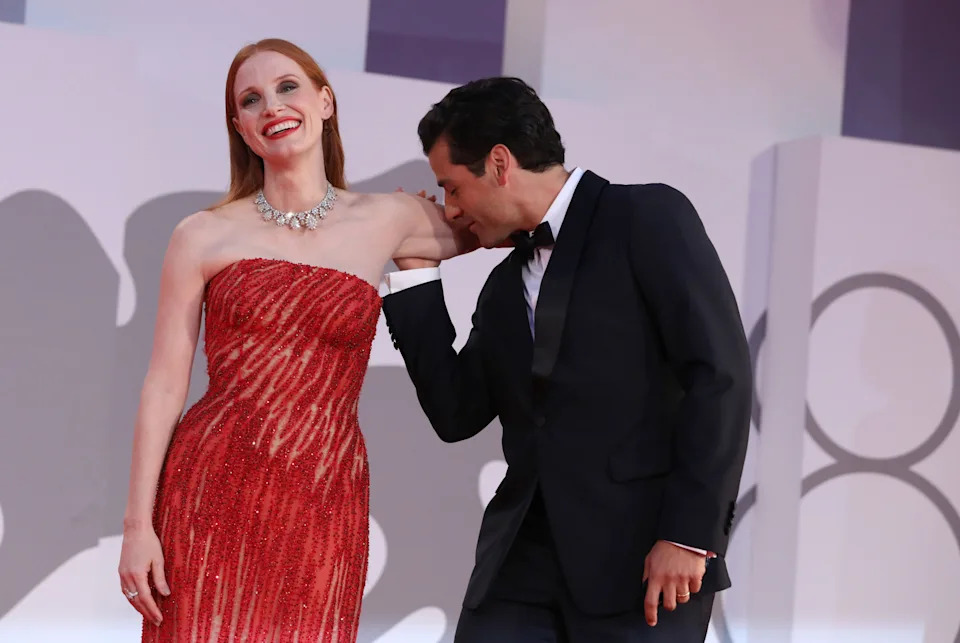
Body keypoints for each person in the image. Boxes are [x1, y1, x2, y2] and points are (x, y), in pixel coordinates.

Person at [116, 38, 472, 642]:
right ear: (241, 129)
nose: (271, 107)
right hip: (211, 490)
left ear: (325, 101)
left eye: (287, 88)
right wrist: (136, 527)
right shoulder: (201, 235)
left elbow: (502, 223)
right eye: (250, 100)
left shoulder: (390, 218)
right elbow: (164, 383)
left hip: (324, 494)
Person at [381, 77, 753, 642]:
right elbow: (455, 413)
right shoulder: (503, 287)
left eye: (453, 188)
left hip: (645, 563)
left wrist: (688, 535)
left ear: (500, 164)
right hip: (520, 564)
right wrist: (415, 272)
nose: (451, 210)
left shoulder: (646, 216)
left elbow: (720, 376)